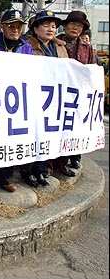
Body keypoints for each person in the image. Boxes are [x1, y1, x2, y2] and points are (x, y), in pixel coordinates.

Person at [0, 9, 33, 194]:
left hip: (17, 99)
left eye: (19, 26)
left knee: (11, 139)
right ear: (2, 27)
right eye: (11, 26)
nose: (15, 30)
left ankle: (6, 177)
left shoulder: (26, 47)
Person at [27, 10, 76, 180]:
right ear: (35, 28)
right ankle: (35, 169)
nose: (51, 29)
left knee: (55, 132)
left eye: (53, 26)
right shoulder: (28, 46)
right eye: (46, 25)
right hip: (37, 96)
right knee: (37, 133)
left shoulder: (60, 46)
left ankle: (52, 166)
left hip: (57, 97)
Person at [55, 10, 96, 172]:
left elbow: (92, 68)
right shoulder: (56, 43)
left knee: (72, 130)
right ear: (65, 26)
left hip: (78, 93)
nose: (75, 28)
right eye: (72, 24)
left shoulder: (87, 47)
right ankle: (50, 164)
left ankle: (64, 163)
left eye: (79, 26)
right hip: (58, 93)